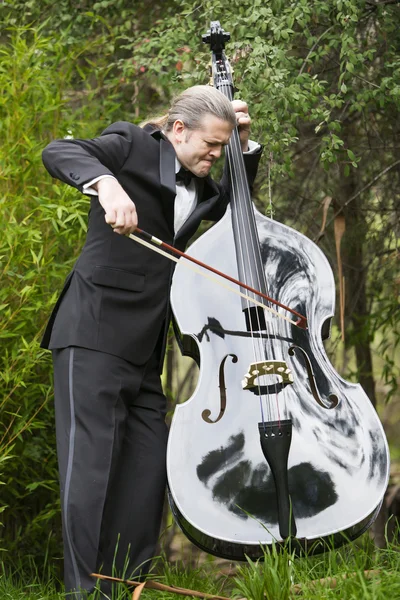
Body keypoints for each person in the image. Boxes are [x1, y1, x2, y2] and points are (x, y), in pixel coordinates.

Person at [41, 85, 262, 598]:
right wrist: (105, 186)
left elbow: (237, 211)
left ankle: (125, 584)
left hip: (147, 345)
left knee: (146, 468)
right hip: (93, 332)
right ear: (178, 130)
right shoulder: (130, 144)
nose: (214, 155)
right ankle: (83, 590)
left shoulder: (205, 181)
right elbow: (60, 151)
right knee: (89, 469)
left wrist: (243, 150)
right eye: (211, 144)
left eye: (221, 147)